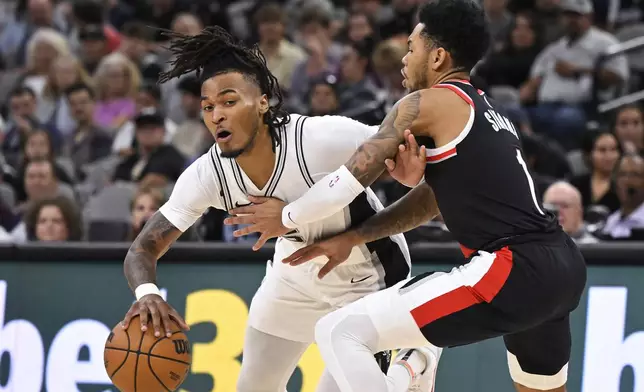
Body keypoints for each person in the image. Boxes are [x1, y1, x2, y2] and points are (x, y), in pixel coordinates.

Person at [226, 0, 588, 391]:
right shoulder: (486, 110)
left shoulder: (424, 103)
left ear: (437, 57)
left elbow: (349, 180)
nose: (404, 59)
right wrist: (355, 236)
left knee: (338, 332)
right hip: (561, 267)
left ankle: (416, 362)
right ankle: (412, 367)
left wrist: (286, 218)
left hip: (512, 266)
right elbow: (433, 199)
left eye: (412, 48)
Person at [118, 26, 434, 392]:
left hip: (366, 279)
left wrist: (411, 169)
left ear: (264, 101)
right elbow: (143, 248)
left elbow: (414, 150)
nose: (216, 114)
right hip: (293, 281)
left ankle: (412, 364)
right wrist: (148, 294)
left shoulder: (321, 140)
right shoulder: (210, 174)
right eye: (208, 107)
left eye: (229, 101)